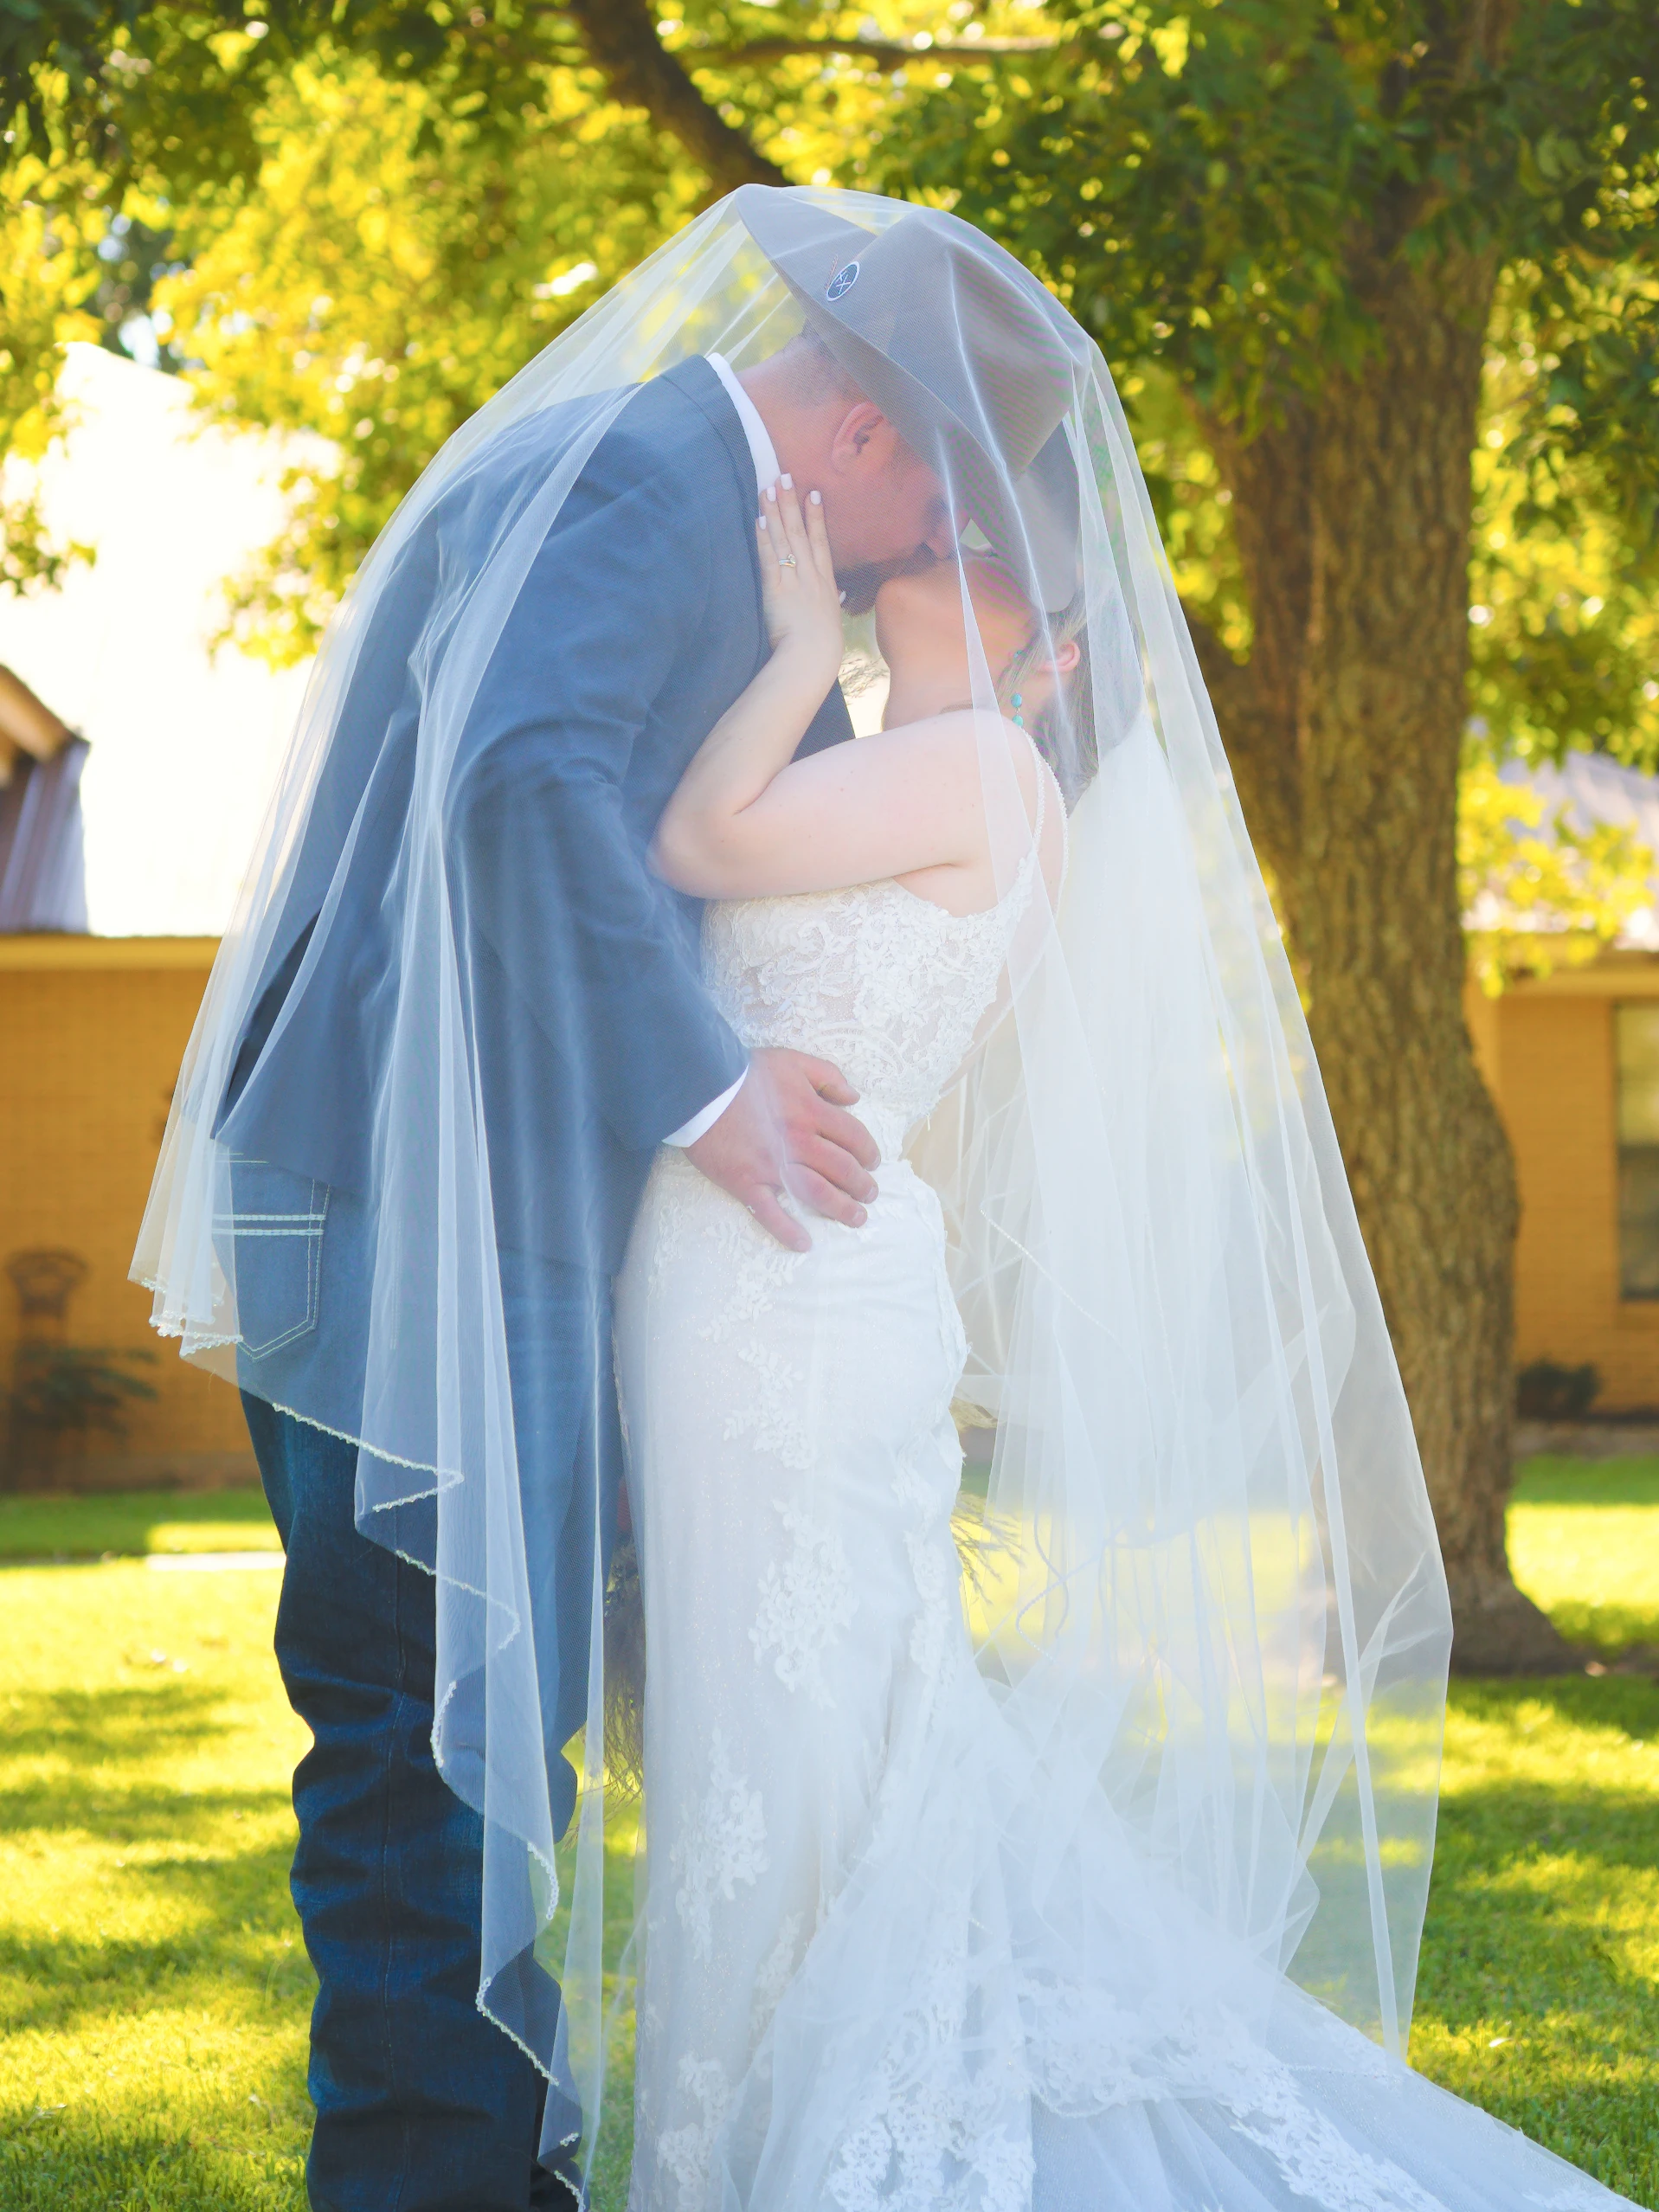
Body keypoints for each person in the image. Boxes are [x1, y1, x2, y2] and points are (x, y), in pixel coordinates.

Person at [615, 481, 1640, 2212]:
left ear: (1055, 642)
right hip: (786, 1275)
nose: (942, 551)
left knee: (801, 1738)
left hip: (789, 1291)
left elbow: (697, 848)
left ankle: (807, 2137)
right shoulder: (928, 771)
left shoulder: (980, 773)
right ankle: (792, 2116)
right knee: (810, 1734)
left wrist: (794, 645)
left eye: (989, 548)